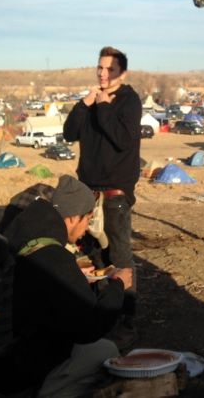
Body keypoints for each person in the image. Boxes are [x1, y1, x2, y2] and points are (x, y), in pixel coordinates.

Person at [0, 175, 133, 397]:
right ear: (72, 218)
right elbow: (89, 328)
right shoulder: (55, 257)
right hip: (20, 367)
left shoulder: (22, 235)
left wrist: (74, 277)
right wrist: (118, 285)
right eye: (88, 221)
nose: (86, 229)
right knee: (104, 350)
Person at [63, 46, 142, 347]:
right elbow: (69, 133)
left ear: (123, 73)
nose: (103, 74)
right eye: (100, 68)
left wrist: (105, 106)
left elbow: (123, 141)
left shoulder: (128, 101)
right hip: (89, 192)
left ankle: (127, 319)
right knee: (94, 256)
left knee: (120, 258)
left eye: (110, 69)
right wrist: (84, 105)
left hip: (115, 193)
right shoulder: (92, 100)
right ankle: (100, 316)